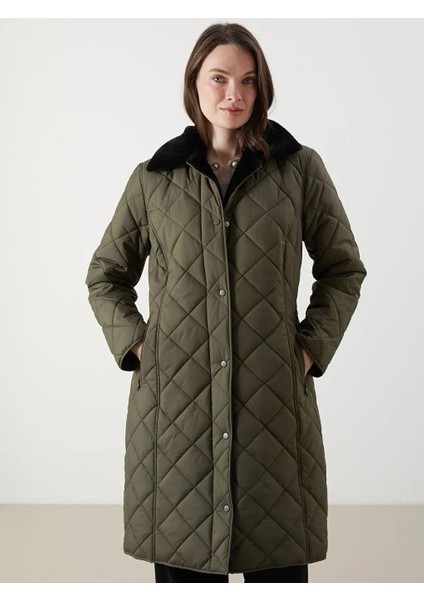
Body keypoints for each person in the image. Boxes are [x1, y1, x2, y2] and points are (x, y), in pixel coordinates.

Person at [84, 22, 367, 583]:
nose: (234, 94)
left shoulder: (299, 171)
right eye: (219, 78)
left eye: (248, 80)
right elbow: (106, 276)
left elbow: (343, 270)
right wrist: (141, 347)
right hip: (177, 413)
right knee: (185, 569)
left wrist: (308, 349)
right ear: (195, 82)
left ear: (262, 88)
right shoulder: (154, 180)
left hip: (272, 410)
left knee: (277, 567)